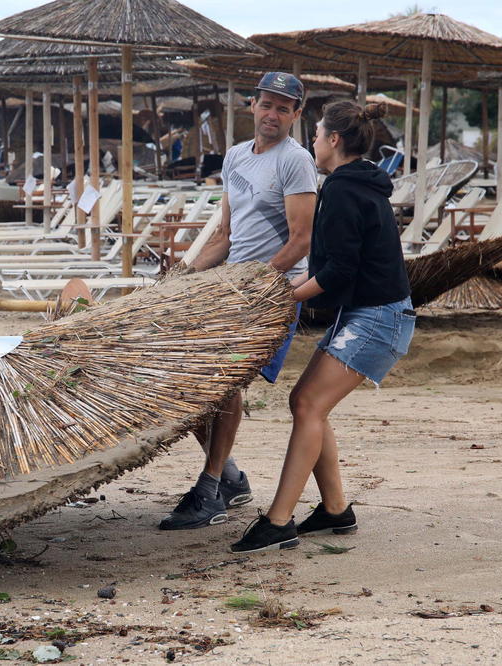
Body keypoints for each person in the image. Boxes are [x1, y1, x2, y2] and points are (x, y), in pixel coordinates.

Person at [230, 100, 415, 554]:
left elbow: (337, 273)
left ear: (334, 141)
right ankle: (335, 509)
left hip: (378, 319)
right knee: (307, 403)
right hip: (367, 314)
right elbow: (331, 266)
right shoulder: (354, 184)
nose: (311, 142)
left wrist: (282, 296)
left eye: (315, 134)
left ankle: (278, 520)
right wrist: (287, 285)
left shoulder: (342, 191)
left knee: (308, 403)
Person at [159, 72, 318, 531]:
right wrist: (186, 276)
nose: (272, 115)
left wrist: (253, 284)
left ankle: (210, 489)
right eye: (266, 105)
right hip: (229, 286)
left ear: (296, 115)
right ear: (252, 105)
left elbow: (300, 241)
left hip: (271, 292)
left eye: (283, 109)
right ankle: (229, 477)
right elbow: (226, 236)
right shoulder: (234, 157)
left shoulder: (296, 162)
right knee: (187, 377)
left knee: (225, 381)